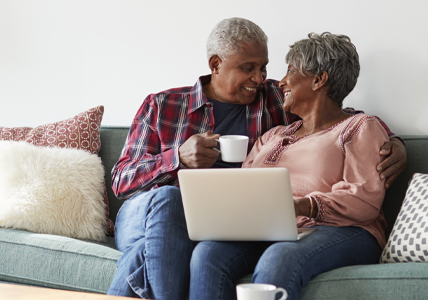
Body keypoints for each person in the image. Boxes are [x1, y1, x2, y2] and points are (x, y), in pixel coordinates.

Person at [108, 18, 406, 300]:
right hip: (150, 212)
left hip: (247, 222)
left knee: (188, 253)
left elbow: (335, 116)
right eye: (248, 68)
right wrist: (177, 158)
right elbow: (121, 181)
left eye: (263, 67)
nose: (265, 79)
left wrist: (394, 141)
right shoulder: (163, 105)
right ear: (216, 65)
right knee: (170, 201)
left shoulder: (273, 101)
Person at [189, 31, 388, 300]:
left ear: (319, 79)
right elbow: (245, 187)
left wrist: (302, 205)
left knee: (278, 258)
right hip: (270, 229)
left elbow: (364, 201)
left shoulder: (359, 128)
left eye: (291, 71)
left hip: (343, 230)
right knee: (208, 253)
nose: (281, 81)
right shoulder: (273, 136)